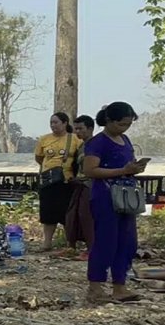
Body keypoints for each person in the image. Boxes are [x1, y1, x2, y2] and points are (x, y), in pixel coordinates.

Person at [83, 102, 147, 303]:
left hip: (127, 196)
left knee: (127, 242)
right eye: (121, 124)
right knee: (105, 241)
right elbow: (90, 170)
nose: (124, 128)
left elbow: (127, 165)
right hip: (105, 196)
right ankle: (95, 287)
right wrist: (123, 171)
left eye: (128, 124)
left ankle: (120, 286)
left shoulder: (126, 140)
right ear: (108, 120)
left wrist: (135, 169)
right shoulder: (97, 142)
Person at [35, 112, 79, 251]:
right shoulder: (44, 139)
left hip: (67, 181)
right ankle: (47, 243)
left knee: (67, 213)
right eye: (51, 122)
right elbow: (39, 158)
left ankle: (69, 244)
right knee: (48, 213)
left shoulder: (75, 139)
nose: (53, 125)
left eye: (56, 122)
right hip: (48, 181)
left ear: (65, 123)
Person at [65, 115, 96, 260]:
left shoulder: (96, 144)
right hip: (79, 184)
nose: (78, 132)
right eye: (75, 129)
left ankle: (92, 250)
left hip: (91, 185)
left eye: (80, 128)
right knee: (72, 216)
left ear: (90, 128)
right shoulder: (82, 145)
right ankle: (71, 246)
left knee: (87, 218)